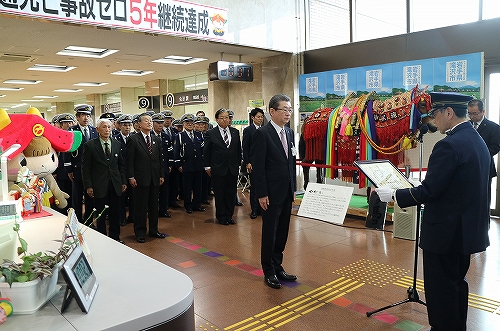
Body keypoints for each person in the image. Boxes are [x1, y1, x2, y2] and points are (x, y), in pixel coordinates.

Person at [375, 92, 490, 331]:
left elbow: (431, 191)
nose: (433, 121)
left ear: (448, 113)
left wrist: (395, 195)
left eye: (436, 115)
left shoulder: (448, 145)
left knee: (440, 290)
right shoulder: (476, 139)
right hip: (465, 231)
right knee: (457, 284)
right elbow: (454, 185)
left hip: (445, 233)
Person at [251, 94, 297, 289]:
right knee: (270, 232)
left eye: (290, 110)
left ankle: (278, 265)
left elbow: (291, 163)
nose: (288, 113)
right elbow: (258, 167)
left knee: (283, 231)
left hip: (286, 191)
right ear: (272, 111)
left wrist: (293, 188)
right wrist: (261, 193)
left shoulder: (289, 133)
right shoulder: (263, 134)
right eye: (284, 110)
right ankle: (268, 270)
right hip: (270, 193)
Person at [82, 118, 127, 243]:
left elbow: (121, 165)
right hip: (99, 185)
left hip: (115, 183)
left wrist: (123, 181)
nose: (107, 130)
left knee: (115, 212)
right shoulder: (90, 146)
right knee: (101, 213)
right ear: (97, 129)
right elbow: (86, 168)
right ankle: (102, 238)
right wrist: (88, 186)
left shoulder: (117, 144)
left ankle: (115, 237)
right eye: (104, 127)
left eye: (109, 127)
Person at [126, 113, 167, 243]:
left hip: (154, 178)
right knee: (141, 207)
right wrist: (131, 176)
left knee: (154, 206)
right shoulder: (134, 139)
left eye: (150, 121)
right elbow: (130, 160)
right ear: (139, 124)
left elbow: (160, 159)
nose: (149, 123)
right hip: (140, 178)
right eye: (146, 121)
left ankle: (154, 230)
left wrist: (161, 174)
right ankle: (140, 232)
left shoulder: (156, 139)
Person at [203, 108, 242, 225]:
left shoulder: (235, 132)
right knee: (220, 193)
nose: (225, 120)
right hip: (218, 168)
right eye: (222, 118)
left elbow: (238, 150)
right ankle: (221, 216)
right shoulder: (211, 133)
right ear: (217, 120)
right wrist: (207, 166)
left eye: (227, 117)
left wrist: (238, 165)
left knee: (231, 193)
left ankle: (229, 215)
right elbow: (207, 151)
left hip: (232, 168)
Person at [67, 104, 98, 223]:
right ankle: (78, 221)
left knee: (90, 197)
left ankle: (89, 221)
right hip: (77, 168)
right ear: (78, 117)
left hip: (91, 170)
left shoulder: (94, 131)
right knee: (77, 197)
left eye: (88, 115)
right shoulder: (72, 131)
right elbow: (67, 150)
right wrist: (69, 169)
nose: (86, 118)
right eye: (83, 115)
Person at [467, 99, 500, 209]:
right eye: (469, 113)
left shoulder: (493, 127)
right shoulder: (466, 126)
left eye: (475, 113)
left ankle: (484, 223)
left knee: (483, 198)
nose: (472, 117)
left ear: (483, 112)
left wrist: (478, 155)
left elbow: (495, 147)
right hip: (467, 167)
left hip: (484, 167)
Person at [174, 114, 205, 214]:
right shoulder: (179, 136)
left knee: (198, 187)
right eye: (187, 122)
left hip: (198, 165)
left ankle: (197, 204)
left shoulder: (199, 135)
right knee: (187, 187)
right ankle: (188, 205)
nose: (190, 124)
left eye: (191, 122)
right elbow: (176, 151)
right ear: (183, 124)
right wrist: (178, 164)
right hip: (187, 165)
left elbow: (203, 150)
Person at [242, 107, 264, 219]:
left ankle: (262, 208)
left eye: (262, 117)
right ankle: (254, 209)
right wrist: (248, 162)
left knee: (262, 186)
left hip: (263, 164)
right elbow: (245, 148)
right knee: (254, 187)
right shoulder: (248, 130)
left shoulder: (264, 129)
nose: (260, 119)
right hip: (253, 163)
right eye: (258, 117)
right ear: (252, 118)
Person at [114, 114, 135, 226]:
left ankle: (132, 216)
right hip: (120, 173)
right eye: (125, 125)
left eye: (129, 125)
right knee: (121, 198)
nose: (127, 127)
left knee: (133, 197)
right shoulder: (115, 139)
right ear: (120, 126)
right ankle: (121, 218)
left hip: (132, 173)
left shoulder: (134, 138)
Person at [152, 113, 173, 218]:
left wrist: (169, 164)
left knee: (165, 191)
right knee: (154, 192)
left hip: (164, 168)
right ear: (153, 124)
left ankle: (163, 210)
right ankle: (153, 210)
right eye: (158, 123)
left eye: (161, 123)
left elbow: (170, 152)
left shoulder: (166, 136)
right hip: (153, 169)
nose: (160, 125)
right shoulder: (149, 136)